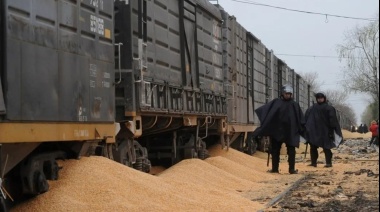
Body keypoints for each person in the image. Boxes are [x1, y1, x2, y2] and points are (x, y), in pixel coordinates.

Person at [253, 84, 305, 174]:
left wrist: (301, 129)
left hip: (290, 131)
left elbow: (300, 118)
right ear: (282, 93)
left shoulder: (295, 105)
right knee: (275, 150)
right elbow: (268, 113)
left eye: (289, 94)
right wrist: (268, 126)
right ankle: (275, 169)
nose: (287, 95)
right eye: (286, 93)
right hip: (277, 130)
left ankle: (292, 169)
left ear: (291, 94)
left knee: (291, 151)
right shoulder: (276, 103)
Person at [304, 92, 343, 168]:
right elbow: (307, 119)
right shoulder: (313, 108)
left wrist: (332, 130)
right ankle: (314, 162)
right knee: (314, 147)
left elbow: (332, 120)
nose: (320, 99)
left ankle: (328, 163)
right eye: (319, 98)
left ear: (324, 98)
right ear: (317, 99)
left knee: (326, 147)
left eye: (321, 98)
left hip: (324, 131)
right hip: (315, 131)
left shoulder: (327, 108)